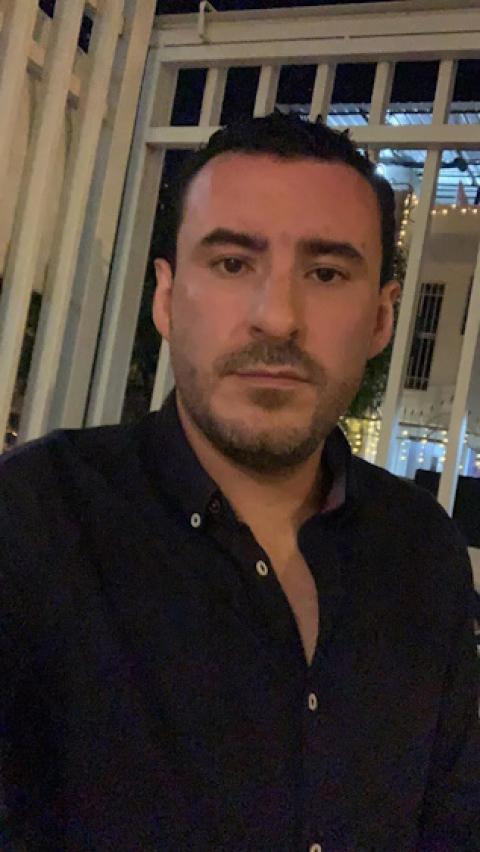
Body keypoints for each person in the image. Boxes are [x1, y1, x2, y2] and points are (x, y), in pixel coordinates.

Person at [0, 113, 478, 851]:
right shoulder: (30, 522)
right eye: (232, 264)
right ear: (165, 298)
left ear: (382, 319)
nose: (277, 318)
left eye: (326, 274)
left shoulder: (423, 552)